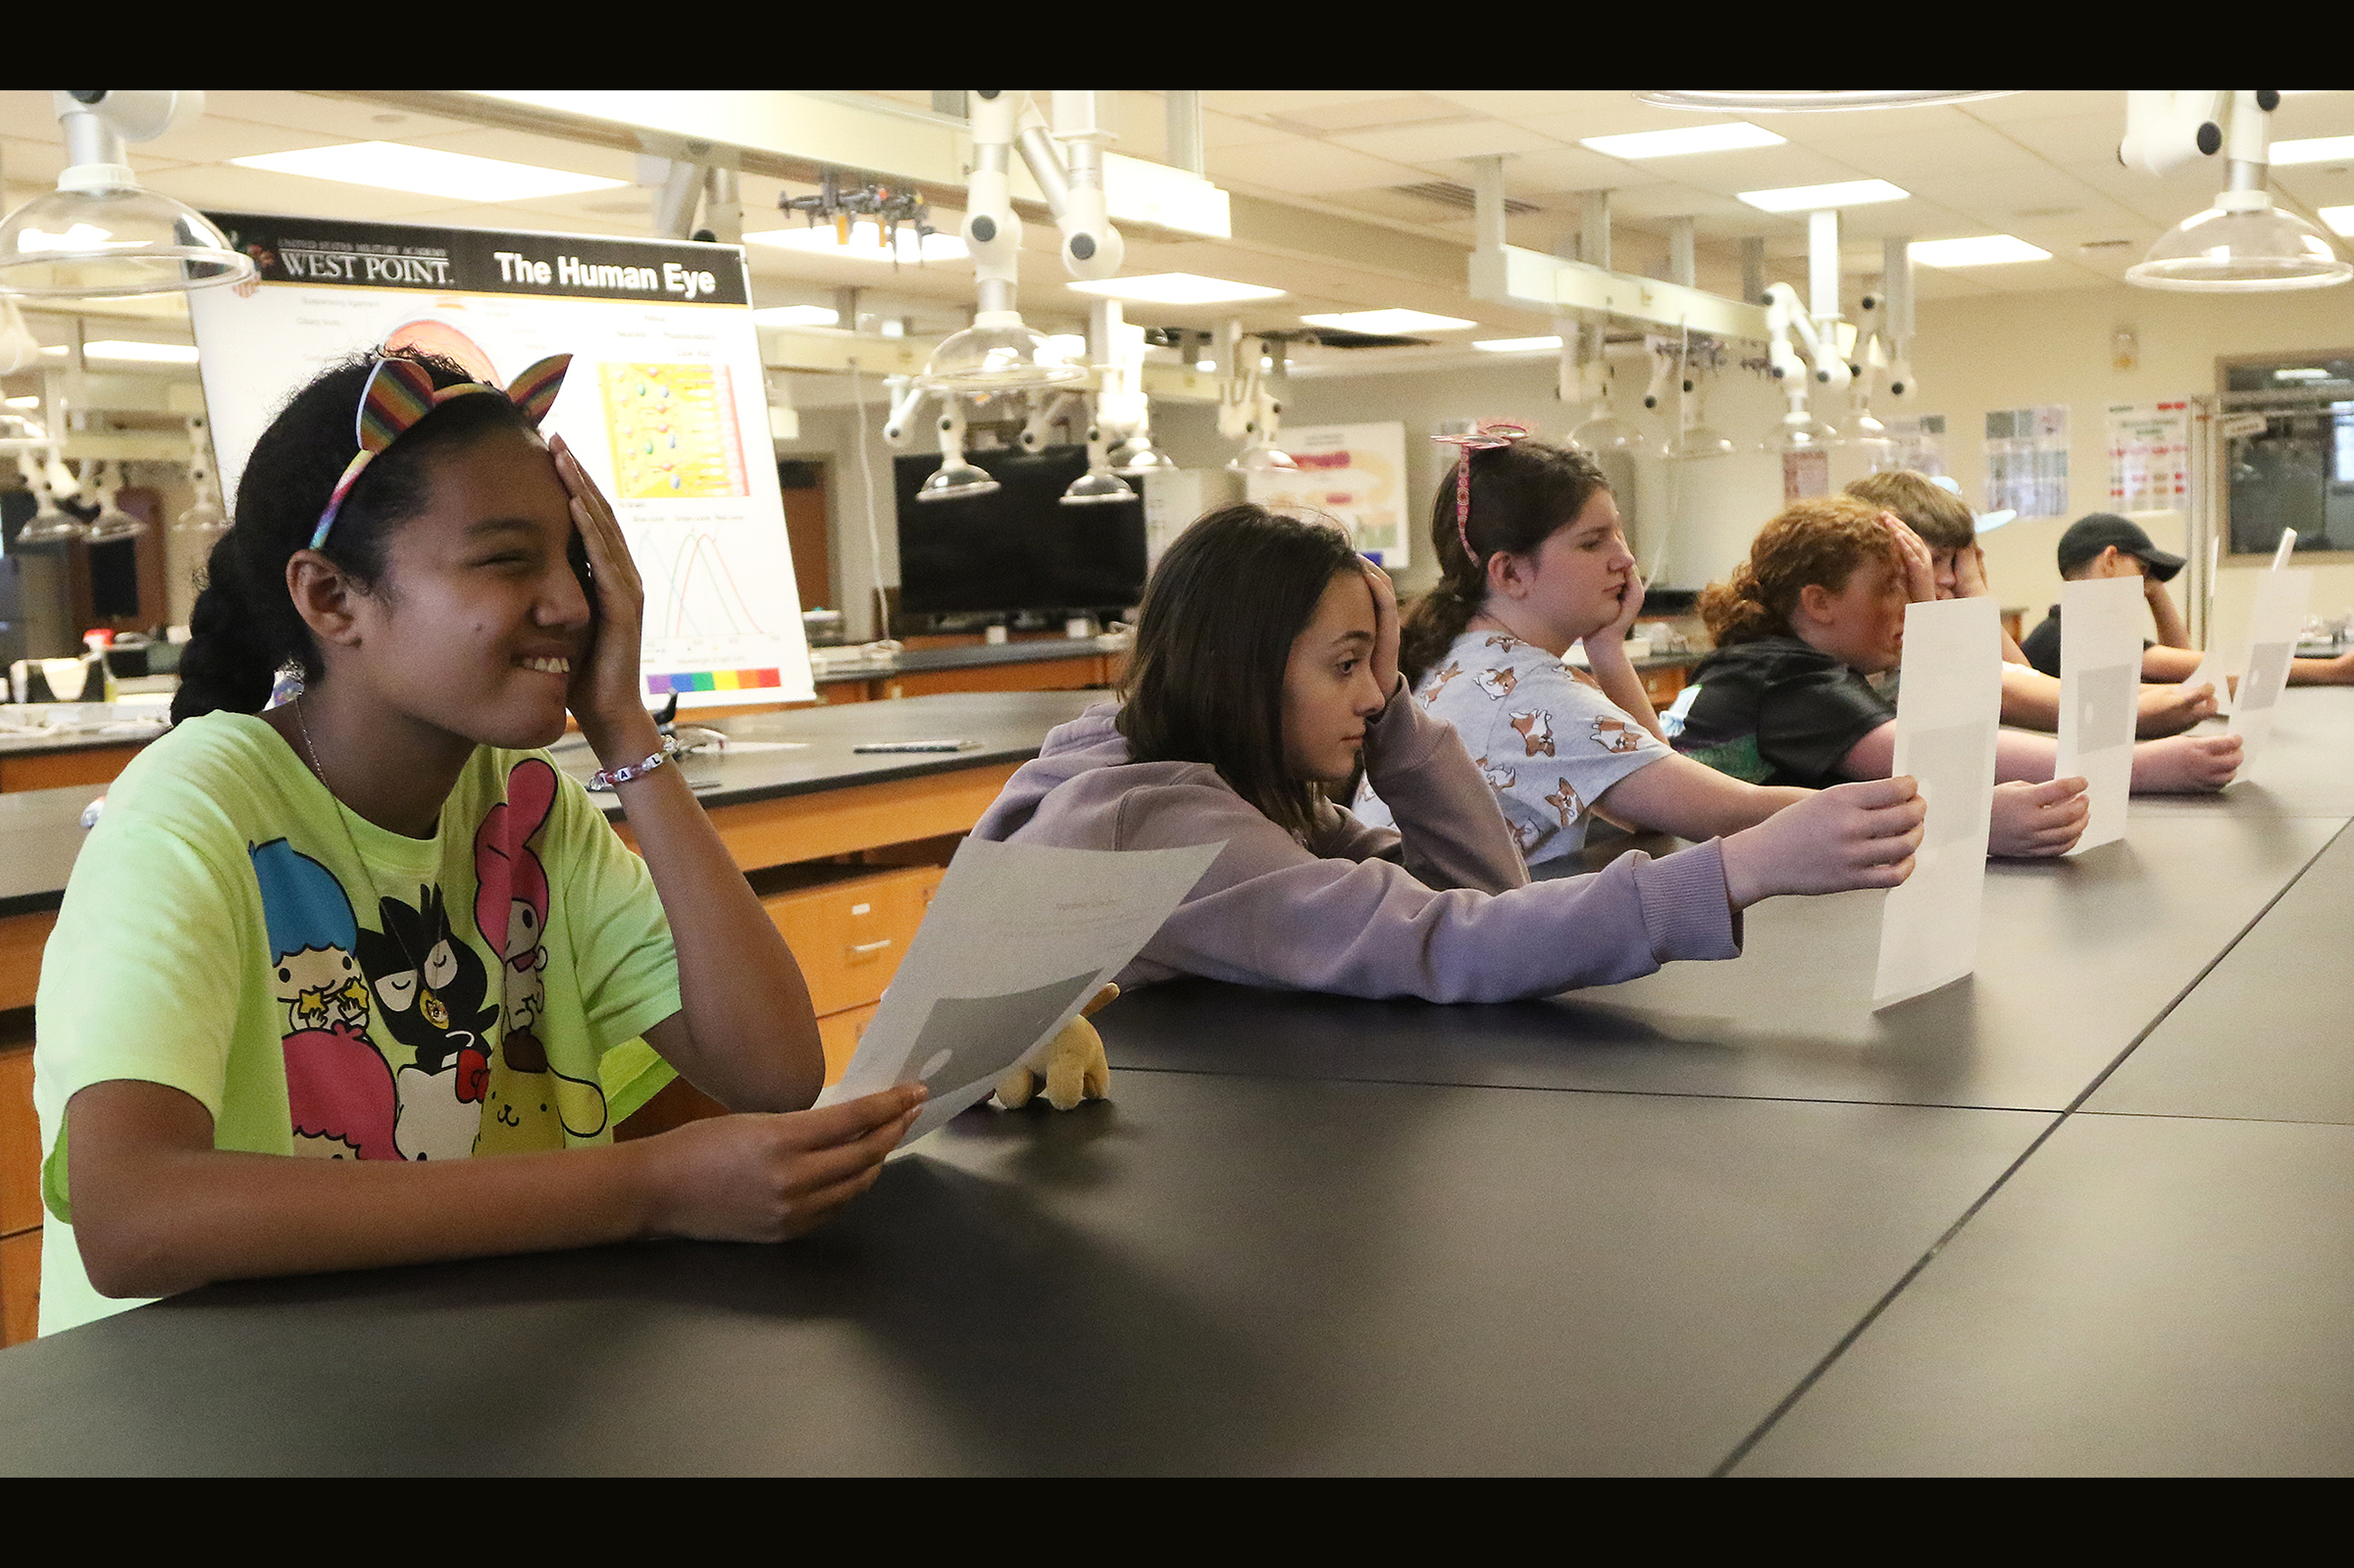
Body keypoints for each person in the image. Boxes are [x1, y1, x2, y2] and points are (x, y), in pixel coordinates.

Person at [31, 351, 924, 1337]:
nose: (574, 605)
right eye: (508, 559)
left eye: (574, 559)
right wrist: (645, 1188)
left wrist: (627, 729)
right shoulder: (195, 808)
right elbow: (134, 1218)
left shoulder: (526, 805)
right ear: (331, 598)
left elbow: (770, 1072)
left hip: (443, 1369)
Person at [970, 502, 1928, 1003]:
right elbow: (1443, 943)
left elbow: (1478, 897)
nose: (1376, 693)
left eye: (1379, 664)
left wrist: (1387, 707)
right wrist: (1739, 871)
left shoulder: (1259, 791)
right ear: (1244, 671)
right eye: (1347, 665)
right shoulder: (1159, 823)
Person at [1362, 435, 2083, 865]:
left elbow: (1644, 810)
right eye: (1593, 542)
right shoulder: (1531, 694)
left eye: (1618, 532)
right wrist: (1975, 821)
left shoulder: (1473, 658)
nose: (1625, 557)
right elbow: (1733, 811)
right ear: (1509, 572)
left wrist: (1608, 650)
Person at [1677, 496, 2242, 803]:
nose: (1911, 613)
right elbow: (1936, 753)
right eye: (1891, 592)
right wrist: (2140, 767)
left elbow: (1944, 728)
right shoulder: (1788, 679)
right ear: (1819, 603)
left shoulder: (1790, 664)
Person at [1843, 474, 2215, 737]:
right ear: (2110, 559)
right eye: (1937, 560)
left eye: (1955, 563)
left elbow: (2022, 680)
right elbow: (2005, 690)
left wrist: (1973, 585)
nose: (1949, 578)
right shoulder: (2068, 628)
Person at [2020, 512, 2354, 685]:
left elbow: (2183, 663)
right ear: (2109, 560)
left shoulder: (2069, 627)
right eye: (2142, 568)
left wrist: (2156, 590)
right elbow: (2208, 672)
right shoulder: (2072, 638)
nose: (2145, 583)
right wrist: (2332, 671)